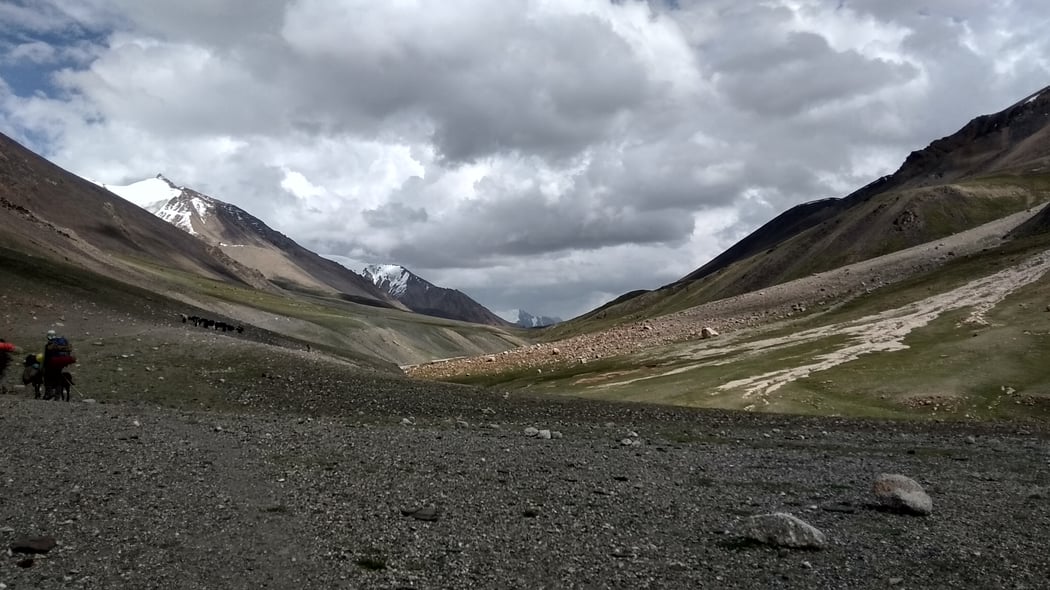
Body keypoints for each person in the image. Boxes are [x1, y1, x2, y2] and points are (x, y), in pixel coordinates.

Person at [42, 330, 75, 401]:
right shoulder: (61, 345)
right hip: (59, 367)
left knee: (47, 379)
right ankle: (57, 396)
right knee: (58, 380)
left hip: (50, 366)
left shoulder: (48, 346)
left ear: (48, 336)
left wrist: (43, 367)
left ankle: (49, 393)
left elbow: (46, 358)